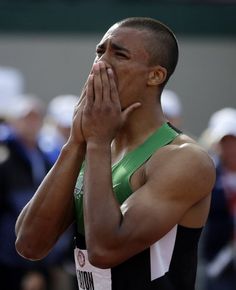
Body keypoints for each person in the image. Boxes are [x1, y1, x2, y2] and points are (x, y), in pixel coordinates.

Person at [15, 17, 216, 290]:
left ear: (155, 75)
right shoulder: (93, 149)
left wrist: (96, 143)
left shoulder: (183, 159)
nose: (101, 63)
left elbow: (105, 251)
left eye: (119, 54)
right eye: (100, 51)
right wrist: (76, 141)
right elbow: (29, 244)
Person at [0, 95, 73, 290]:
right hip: (13, 264)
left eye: (35, 117)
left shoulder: (46, 156)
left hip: (46, 259)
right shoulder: (4, 159)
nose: (31, 123)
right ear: (13, 121)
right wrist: (28, 269)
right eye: (26, 118)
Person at [200, 108, 236, 290]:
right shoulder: (207, 175)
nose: (230, 148)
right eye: (224, 141)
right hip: (217, 264)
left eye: (233, 141)